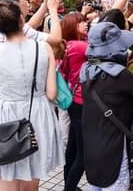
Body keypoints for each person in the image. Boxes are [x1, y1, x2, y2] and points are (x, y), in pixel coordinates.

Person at [0, 0, 63, 190]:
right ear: (21, 19)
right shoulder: (44, 48)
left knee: (6, 179)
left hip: (7, 120)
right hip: (39, 118)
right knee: (31, 182)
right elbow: (51, 93)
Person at [80, 22, 133, 190]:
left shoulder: (86, 70)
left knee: (95, 185)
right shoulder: (120, 76)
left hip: (92, 145)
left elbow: (108, 80)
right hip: (113, 148)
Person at [59, 12, 89, 191]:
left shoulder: (67, 45)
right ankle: (69, 188)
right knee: (83, 153)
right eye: (80, 22)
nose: (85, 24)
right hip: (82, 100)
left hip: (73, 100)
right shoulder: (80, 46)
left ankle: (67, 184)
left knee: (72, 146)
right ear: (71, 26)